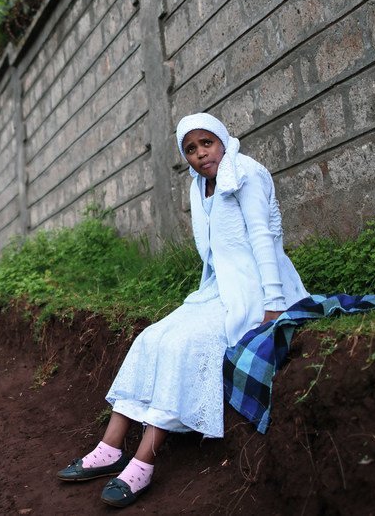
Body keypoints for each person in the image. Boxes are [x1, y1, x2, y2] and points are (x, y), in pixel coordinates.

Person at [55, 113, 309, 507]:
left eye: (206, 142)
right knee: (150, 337)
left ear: (222, 139)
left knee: (183, 346)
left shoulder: (247, 174)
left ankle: (144, 461)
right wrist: (202, 298)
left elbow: (262, 238)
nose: (200, 154)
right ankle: (110, 448)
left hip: (256, 292)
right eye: (190, 149)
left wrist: (274, 305)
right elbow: (213, 256)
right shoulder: (199, 187)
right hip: (216, 291)